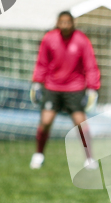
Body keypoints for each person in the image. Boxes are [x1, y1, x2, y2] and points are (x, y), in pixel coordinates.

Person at [30, 11, 100, 169]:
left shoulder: (82, 40)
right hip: (52, 87)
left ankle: (89, 159)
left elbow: (90, 65)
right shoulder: (49, 38)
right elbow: (42, 62)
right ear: (58, 23)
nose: (65, 25)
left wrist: (92, 88)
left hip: (74, 88)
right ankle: (38, 155)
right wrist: (36, 83)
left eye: (68, 22)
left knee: (81, 123)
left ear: (73, 23)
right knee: (46, 121)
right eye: (62, 22)